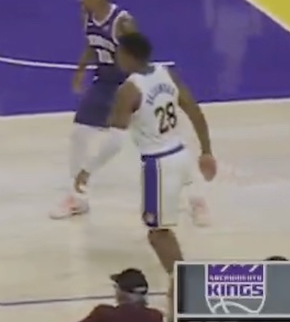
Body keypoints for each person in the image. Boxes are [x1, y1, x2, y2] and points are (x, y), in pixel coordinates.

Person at [72, 31, 217, 298]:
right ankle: (196, 204)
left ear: (127, 55)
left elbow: (115, 142)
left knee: (158, 233)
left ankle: (182, 284)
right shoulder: (167, 73)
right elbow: (195, 110)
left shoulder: (129, 89)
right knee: (159, 229)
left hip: (158, 164)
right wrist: (206, 151)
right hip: (180, 153)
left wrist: (87, 169)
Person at [55, 0, 206, 222]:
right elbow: (92, 45)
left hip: (127, 83)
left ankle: (196, 198)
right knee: (80, 134)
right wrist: (81, 70)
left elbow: (137, 52)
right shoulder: (87, 16)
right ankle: (77, 197)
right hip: (103, 82)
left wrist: (144, 86)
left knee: (162, 138)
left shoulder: (123, 23)